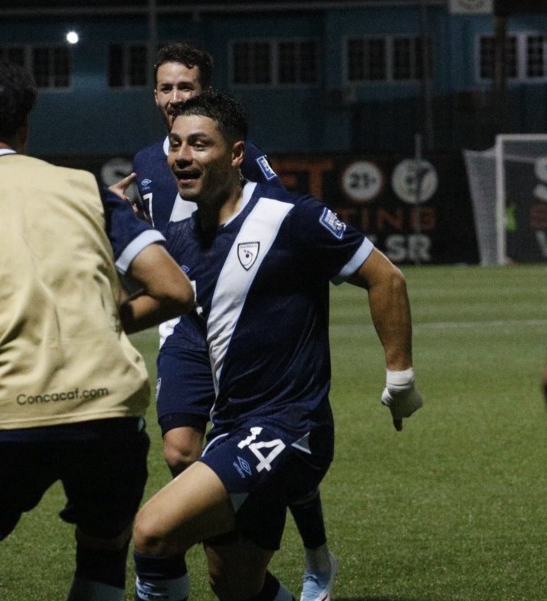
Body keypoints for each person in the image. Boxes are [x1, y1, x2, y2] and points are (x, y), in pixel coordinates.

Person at [0, 53, 195, 601]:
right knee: (104, 544)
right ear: (24, 123)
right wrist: (105, 323)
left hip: (7, 413)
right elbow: (174, 289)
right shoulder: (87, 189)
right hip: (110, 408)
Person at [129, 92, 423, 601]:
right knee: (235, 586)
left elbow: (386, 278)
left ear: (236, 154)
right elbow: (158, 306)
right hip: (232, 426)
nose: (182, 156)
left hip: (292, 427)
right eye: (176, 144)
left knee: (153, 532)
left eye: (199, 144)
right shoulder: (180, 235)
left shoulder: (291, 217)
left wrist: (400, 380)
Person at [124, 42, 337, 601]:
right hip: (184, 324)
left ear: (206, 93)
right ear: (154, 96)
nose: (175, 98)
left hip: (239, 317)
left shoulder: (242, 158)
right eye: (166, 88)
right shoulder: (151, 160)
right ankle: (213, 532)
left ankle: (312, 547)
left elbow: (272, 221)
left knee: (275, 433)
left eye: (186, 88)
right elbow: (156, 223)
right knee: (179, 452)